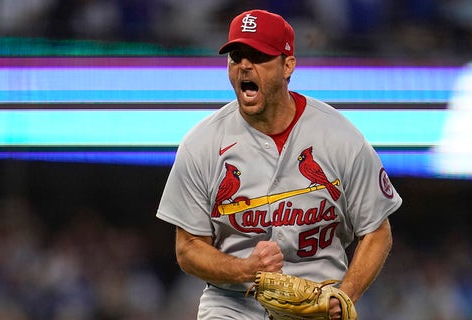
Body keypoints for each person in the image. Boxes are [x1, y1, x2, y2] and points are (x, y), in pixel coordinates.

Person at [156, 9, 402, 319]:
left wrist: (346, 294)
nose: (244, 64)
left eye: (258, 56)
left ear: (288, 65)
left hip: (318, 302)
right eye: (236, 56)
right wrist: (244, 269)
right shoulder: (202, 144)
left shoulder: (339, 137)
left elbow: (377, 231)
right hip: (233, 304)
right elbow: (188, 248)